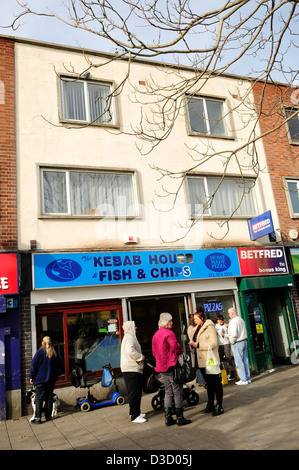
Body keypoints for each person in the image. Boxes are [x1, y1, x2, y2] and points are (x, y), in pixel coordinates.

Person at [152, 312, 191, 426]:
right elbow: (174, 347)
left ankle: (168, 418)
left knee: (168, 392)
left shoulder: (156, 334)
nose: (172, 322)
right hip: (171, 365)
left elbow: (154, 352)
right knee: (177, 391)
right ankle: (180, 418)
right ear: (166, 322)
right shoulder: (169, 333)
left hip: (161, 366)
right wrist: (180, 350)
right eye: (170, 321)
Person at [189, 306, 224, 416]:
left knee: (216, 383)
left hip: (210, 360)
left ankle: (219, 405)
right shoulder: (196, 328)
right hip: (201, 361)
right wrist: (192, 345)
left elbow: (214, 343)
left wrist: (198, 345)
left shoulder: (209, 326)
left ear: (202, 318)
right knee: (209, 384)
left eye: (196, 318)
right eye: (194, 319)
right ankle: (210, 404)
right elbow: (195, 342)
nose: (195, 320)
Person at [29, 336, 60, 424]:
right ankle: (48, 416)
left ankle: (38, 418)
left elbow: (34, 365)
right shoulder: (54, 351)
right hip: (51, 379)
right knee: (49, 397)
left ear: (43, 343)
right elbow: (58, 364)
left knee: (39, 398)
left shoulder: (40, 352)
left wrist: (32, 376)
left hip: (41, 379)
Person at [120, 321, 146, 423]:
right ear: (130, 327)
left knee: (135, 392)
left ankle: (135, 412)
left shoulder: (129, 337)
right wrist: (140, 357)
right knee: (134, 392)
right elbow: (131, 351)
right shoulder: (129, 338)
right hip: (131, 369)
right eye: (134, 326)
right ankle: (135, 416)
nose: (136, 328)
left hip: (131, 369)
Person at [228, 307, 251, 385]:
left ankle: (243, 379)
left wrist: (232, 342)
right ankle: (248, 378)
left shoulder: (233, 321)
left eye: (228, 313)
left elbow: (234, 333)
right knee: (245, 361)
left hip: (237, 342)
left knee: (239, 362)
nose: (228, 315)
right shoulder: (241, 319)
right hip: (244, 341)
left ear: (231, 313)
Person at [187, 313, 206, 387]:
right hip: (195, 347)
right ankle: (201, 381)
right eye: (194, 319)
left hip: (197, 347)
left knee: (199, 365)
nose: (195, 320)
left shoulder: (195, 327)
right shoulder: (191, 328)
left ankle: (201, 380)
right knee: (198, 365)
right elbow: (192, 338)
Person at [215, 314, 235, 380]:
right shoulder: (216, 326)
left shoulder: (226, 326)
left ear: (223, 320)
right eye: (219, 320)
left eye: (221, 320)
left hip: (226, 343)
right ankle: (221, 373)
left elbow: (230, 334)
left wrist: (224, 334)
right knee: (219, 359)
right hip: (220, 344)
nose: (220, 322)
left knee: (228, 358)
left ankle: (231, 373)